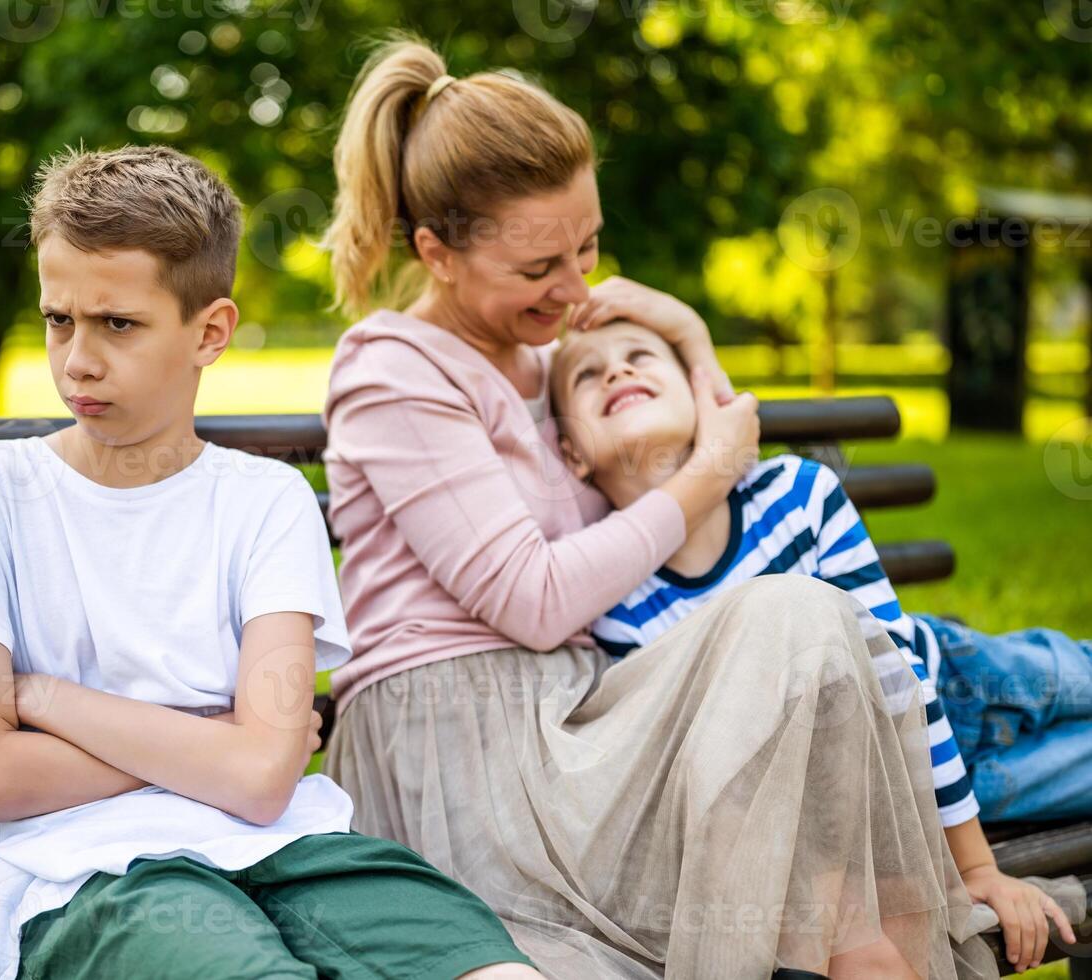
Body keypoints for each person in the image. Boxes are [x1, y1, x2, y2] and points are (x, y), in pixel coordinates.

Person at [319, 32, 1001, 979]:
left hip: (586, 726)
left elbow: (695, 438)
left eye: (587, 247)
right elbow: (538, 598)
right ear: (434, 251)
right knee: (799, 628)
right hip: (462, 759)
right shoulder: (393, 371)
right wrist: (706, 477)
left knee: (801, 616)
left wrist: (685, 330)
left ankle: (862, 957)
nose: (575, 289)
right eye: (537, 269)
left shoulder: (550, 359)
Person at [0, 144, 541, 980]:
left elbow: (267, 780)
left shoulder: (266, 501)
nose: (78, 359)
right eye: (59, 320)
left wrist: (45, 697)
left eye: (117, 324)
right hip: (93, 876)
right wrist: (218, 740)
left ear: (211, 332)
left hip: (295, 849)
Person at [552, 319, 1085, 973]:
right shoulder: (614, 600)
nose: (617, 372)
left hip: (955, 690)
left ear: (706, 401)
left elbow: (900, 676)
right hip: (905, 787)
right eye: (587, 374)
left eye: (640, 356)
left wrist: (976, 867)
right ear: (573, 453)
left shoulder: (796, 495)